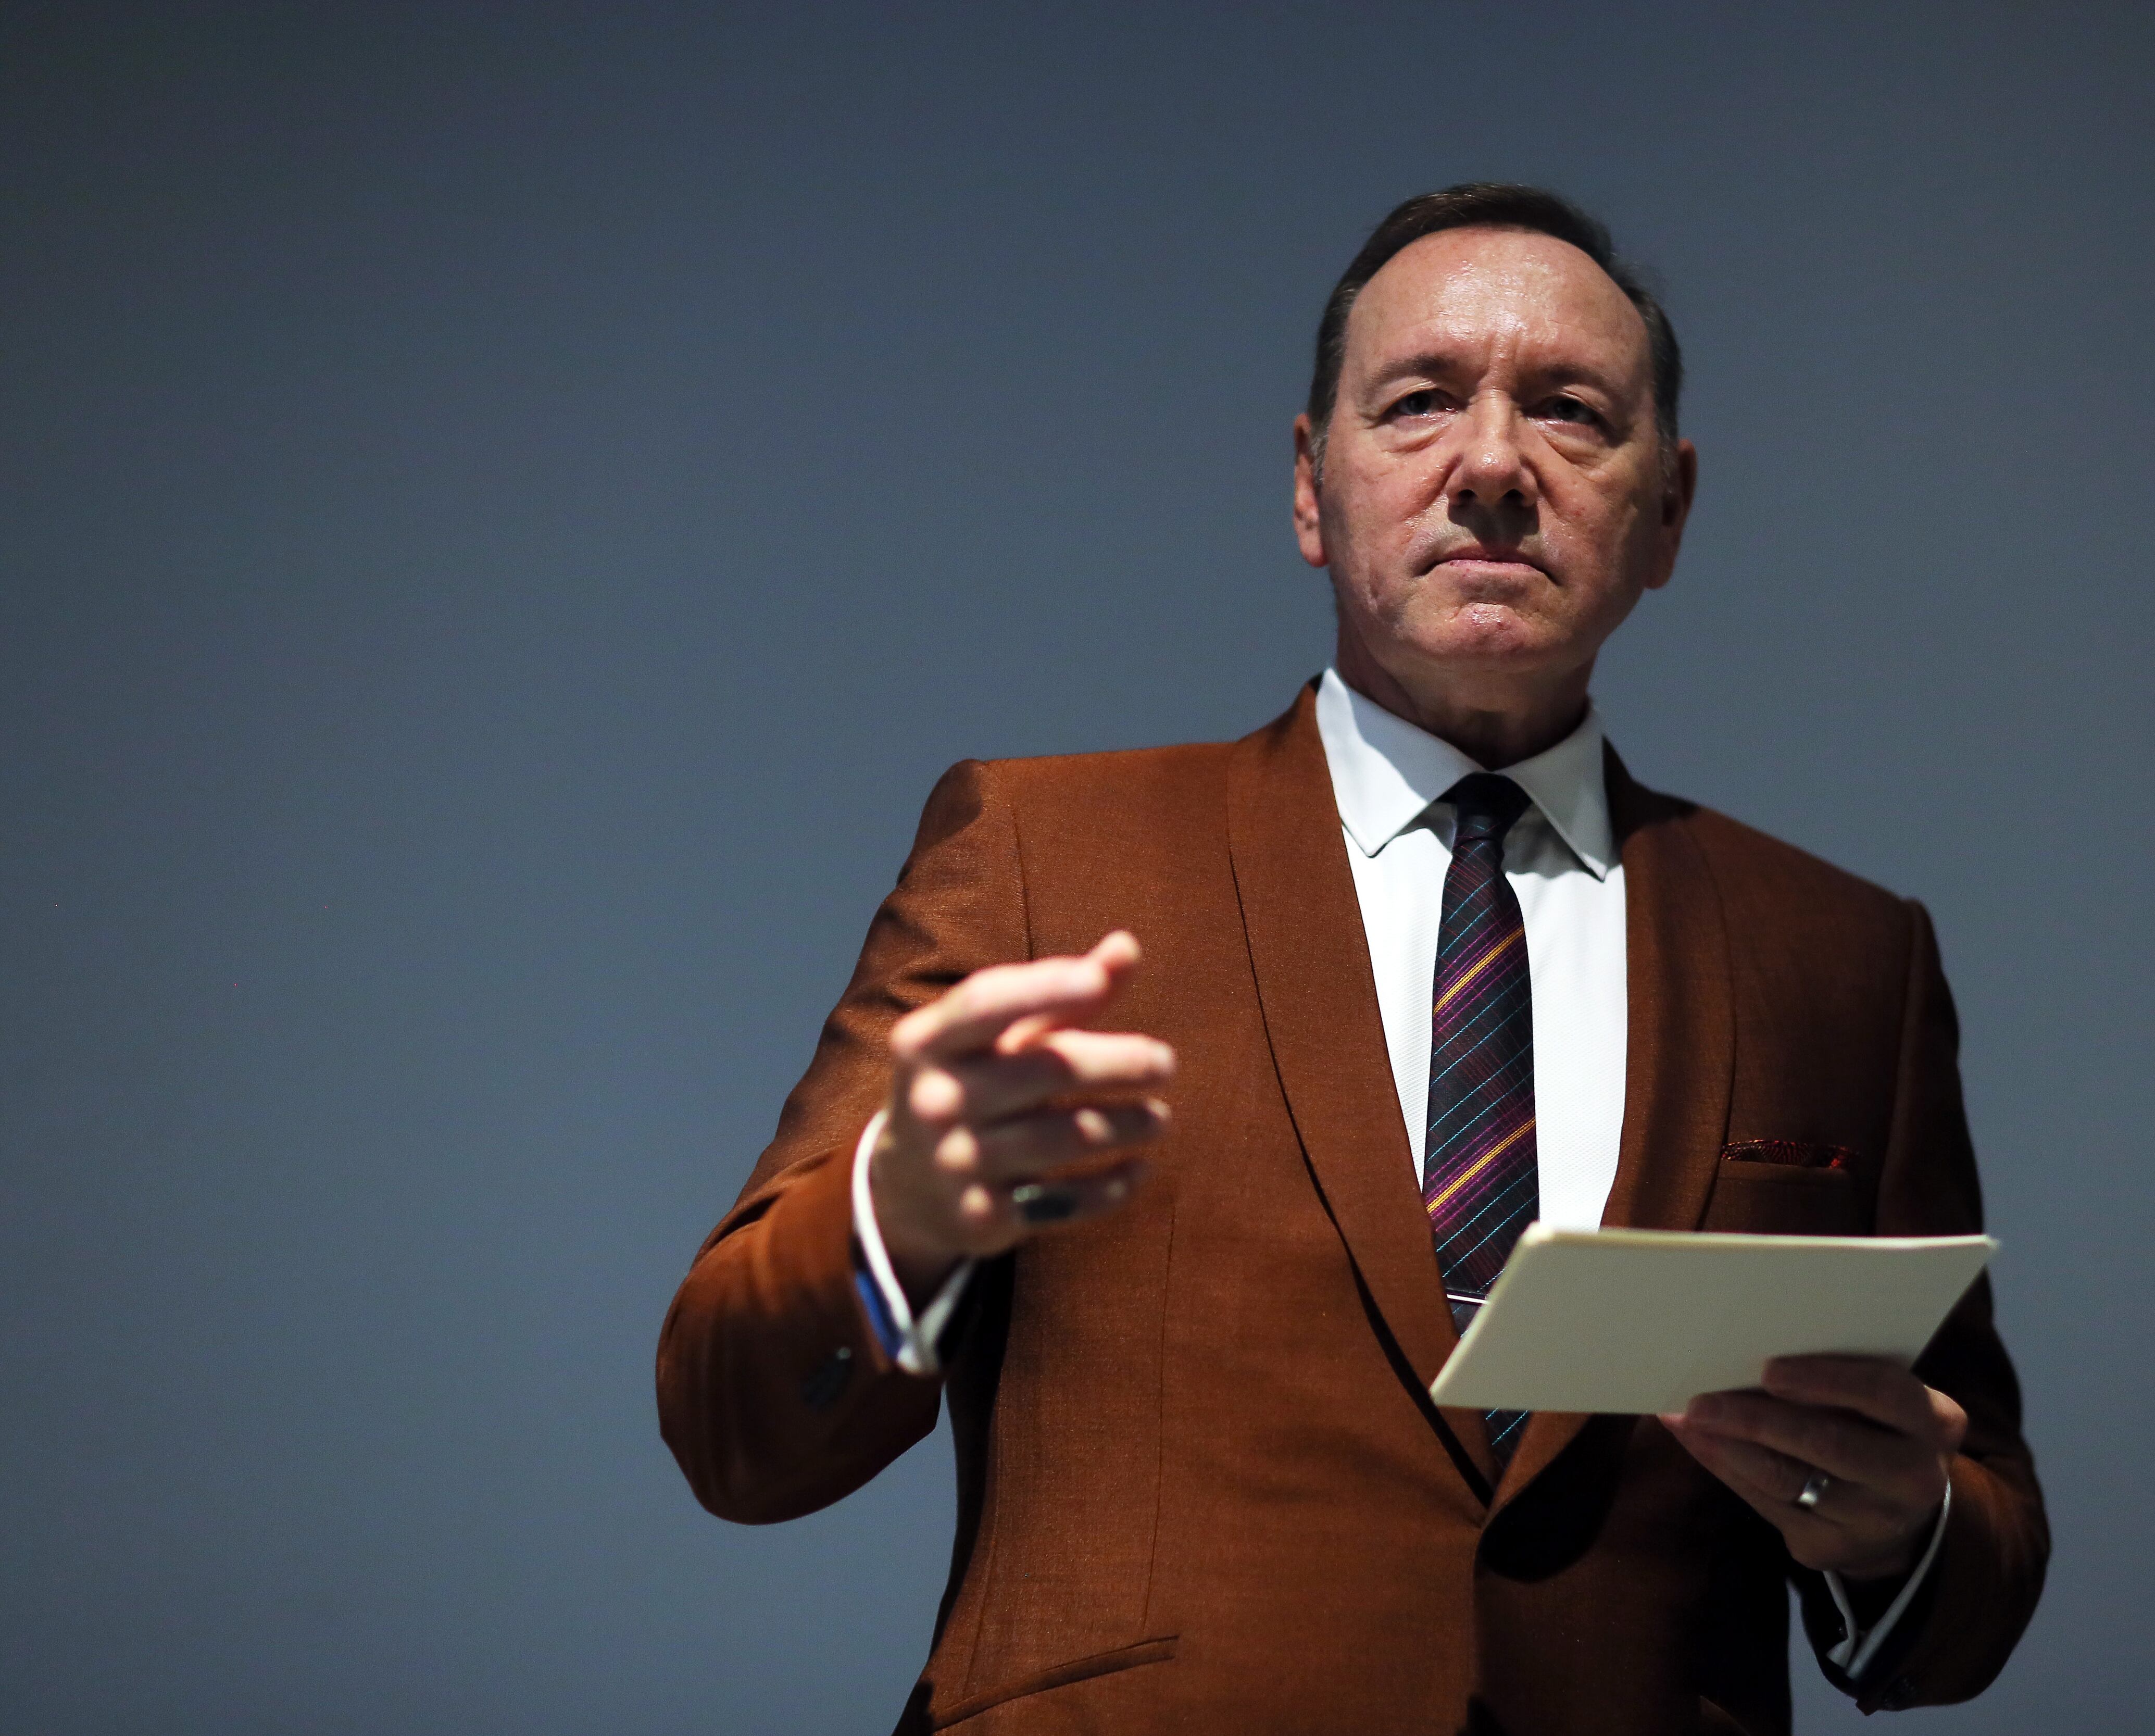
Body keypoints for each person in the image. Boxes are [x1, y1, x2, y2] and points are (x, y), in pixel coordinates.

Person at [657, 183, 2046, 1735]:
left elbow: (1975, 1552)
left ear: (1669, 510)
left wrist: (1904, 1531)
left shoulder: (1847, 957)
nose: (1497, 464)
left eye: (1573, 411)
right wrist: (893, 1219)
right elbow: (732, 1429)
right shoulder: (1043, 855)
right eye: (1422, 403)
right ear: (1311, 487)